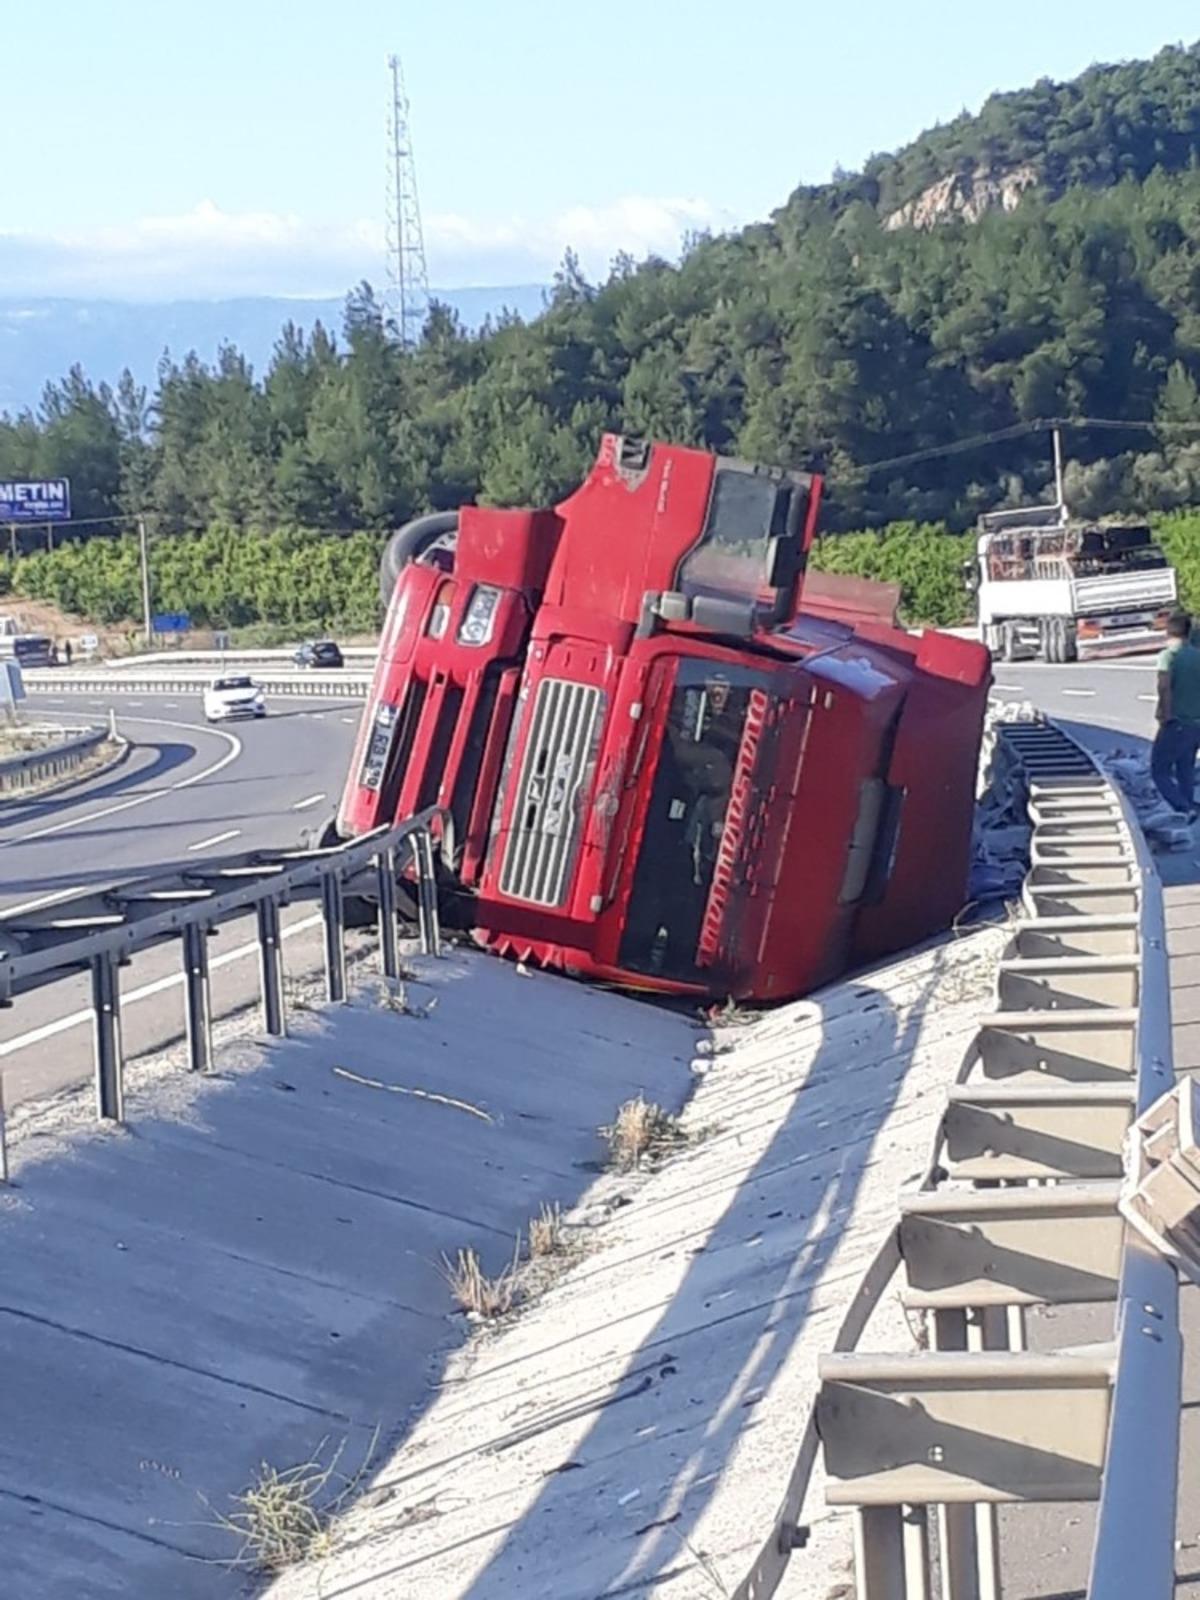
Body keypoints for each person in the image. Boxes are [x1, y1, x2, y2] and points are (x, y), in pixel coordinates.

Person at [1152, 611, 1200, 819]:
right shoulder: (1197, 656)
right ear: (1189, 632)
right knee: (1185, 768)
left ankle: (1184, 808)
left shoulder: (1168, 656)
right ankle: (1189, 805)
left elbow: (1164, 687)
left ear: (1167, 631)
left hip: (1177, 721)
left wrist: (1164, 714)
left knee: (1159, 769)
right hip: (1196, 723)